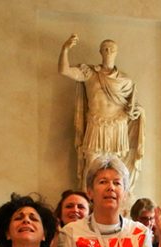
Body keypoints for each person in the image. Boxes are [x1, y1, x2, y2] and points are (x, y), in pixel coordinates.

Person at [59, 34, 145, 185]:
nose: (108, 50)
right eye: (105, 48)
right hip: (96, 125)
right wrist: (65, 49)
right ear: (100, 51)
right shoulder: (90, 73)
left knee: (117, 169)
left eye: (111, 49)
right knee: (91, 166)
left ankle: (119, 205)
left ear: (116, 52)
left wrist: (137, 111)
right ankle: (88, 202)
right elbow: (64, 70)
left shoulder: (125, 81)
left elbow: (132, 107)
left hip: (118, 127)